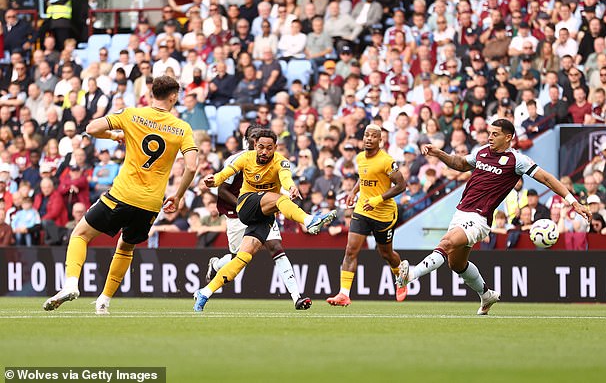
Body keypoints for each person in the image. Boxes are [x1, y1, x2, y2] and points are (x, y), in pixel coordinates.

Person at [396, 119, 591, 314]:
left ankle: (410, 275)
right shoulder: (482, 152)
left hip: (480, 218)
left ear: (508, 137)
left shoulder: (517, 160)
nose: (490, 137)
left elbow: (547, 178)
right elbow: (461, 163)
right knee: (456, 263)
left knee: (446, 243)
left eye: (495, 134)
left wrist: (573, 202)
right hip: (461, 212)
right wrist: (438, 153)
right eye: (490, 133)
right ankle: (486, 295)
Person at [43, 76, 199, 315]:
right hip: (150, 203)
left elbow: (91, 128)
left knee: (80, 234)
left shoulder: (132, 114)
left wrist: (114, 136)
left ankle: (71, 284)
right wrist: (177, 196)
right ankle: (104, 301)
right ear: (173, 96)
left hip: (122, 194)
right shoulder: (182, 128)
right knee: (126, 248)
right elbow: (191, 166)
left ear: (150, 93)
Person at [194, 129, 337, 311]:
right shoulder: (244, 158)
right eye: (261, 147)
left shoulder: (281, 161)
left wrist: (291, 187)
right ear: (254, 145)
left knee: (242, 258)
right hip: (245, 204)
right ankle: (309, 220)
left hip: (265, 215)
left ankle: (204, 292)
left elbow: (286, 177)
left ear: (275, 148)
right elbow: (225, 174)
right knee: (278, 199)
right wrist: (213, 180)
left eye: (269, 148)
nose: (264, 152)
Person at [326, 124, 408, 306]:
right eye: (366, 135)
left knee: (385, 253)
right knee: (350, 250)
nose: (369, 138)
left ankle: (400, 275)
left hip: (384, 214)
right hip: (362, 210)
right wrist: (354, 191)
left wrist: (379, 199)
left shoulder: (386, 161)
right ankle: (343, 294)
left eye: (373, 136)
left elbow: (402, 185)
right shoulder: (360, 157)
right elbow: (363, 177)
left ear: (380, 140)